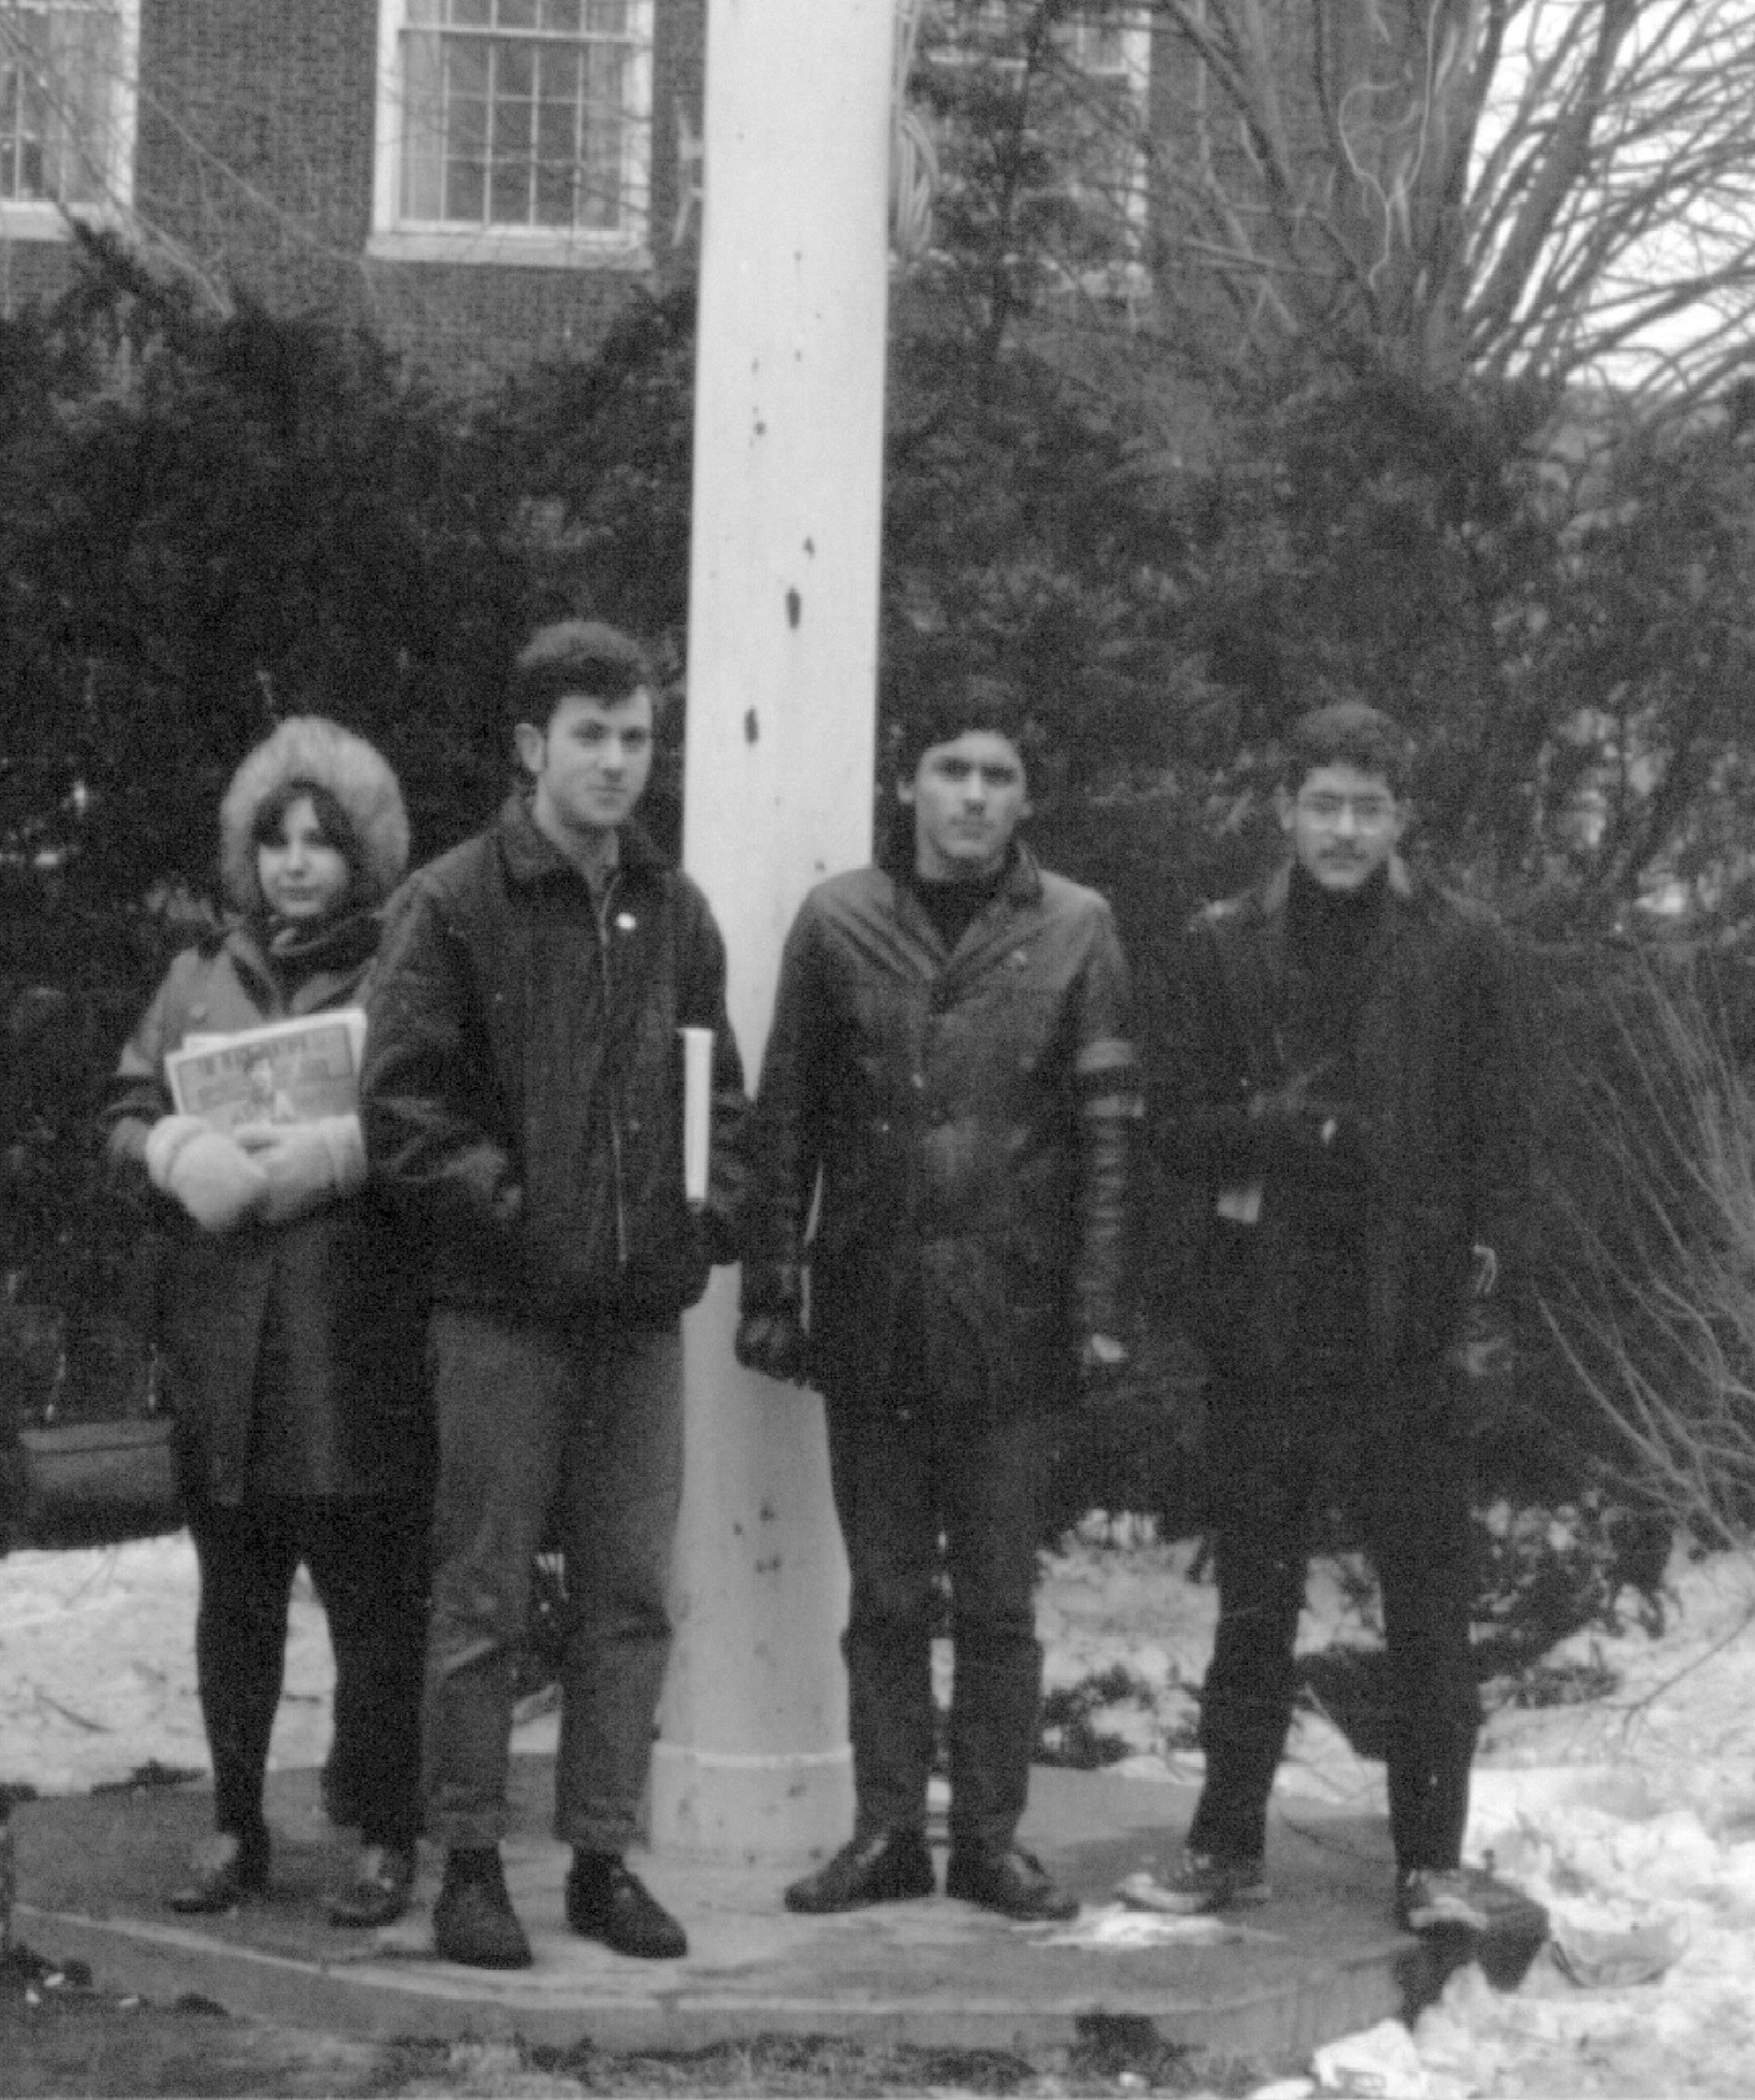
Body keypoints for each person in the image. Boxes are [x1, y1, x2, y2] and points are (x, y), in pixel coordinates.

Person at [1117, 701, 1547, 1965]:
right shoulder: (1220, 943)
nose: (1344, 831)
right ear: (1285, 812)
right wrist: (1280, 1128)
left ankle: (1429, 1861)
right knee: (1253, 1600)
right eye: (1323, 805)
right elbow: (1169, 1125)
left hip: (1409, 1325)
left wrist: (1483, 1301)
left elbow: (1508, 1140)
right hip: (1268, 1322)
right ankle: (1222, 1846)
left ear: (1401, 817)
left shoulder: (1464, 946)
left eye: (1367, 807)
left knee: (1427, 1608)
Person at [361, 621, 747, 1970]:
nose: (617, 763)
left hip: (637, 1320)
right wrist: (530, 1224)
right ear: (531, 747)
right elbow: (405, 1111)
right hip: (502, 1314)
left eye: (636, 737)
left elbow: (720, 1096)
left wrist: (707, 1218)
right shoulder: (453, 903)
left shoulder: (672, 909)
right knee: (483, 1598)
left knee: (628, 1594)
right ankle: (471, 1867)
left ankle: (599, 1861)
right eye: (590, 736)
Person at [738, 681, 1138, 1925]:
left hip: (1012, 1314)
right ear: (907, 781)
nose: (971, 796)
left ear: (1026, 797)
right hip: (874, 1307)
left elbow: (1108, 1138)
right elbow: (785, 1116)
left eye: (996, 775)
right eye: (950, 770)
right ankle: (885, 1835)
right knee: (886, 1598)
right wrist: (772, 1284)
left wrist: (1097, 1304)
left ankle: (990, 1844)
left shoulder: (1077, 927)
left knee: (1001, 1602)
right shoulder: (838, 922)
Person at [101, 718, 431, 1929]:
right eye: (277, 841)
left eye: (322, 843)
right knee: (233, 1604)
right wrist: (168, 1150)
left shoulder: (404, 968)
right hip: (225, 1351)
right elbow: (123, 1107)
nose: (296, 864)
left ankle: (386, 1832)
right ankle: (235, 1824)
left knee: (373, 1607)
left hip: (355, 1349)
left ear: (364, 855)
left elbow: (444, 1117)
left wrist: (347, 1154)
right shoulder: (200, 977)